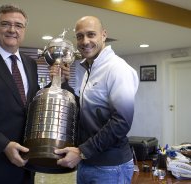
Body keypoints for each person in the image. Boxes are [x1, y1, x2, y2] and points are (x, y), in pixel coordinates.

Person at [0, 4, 70, 184]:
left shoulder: (30, 63)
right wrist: (4, 146)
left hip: (24, 163)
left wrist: (57, 83)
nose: (12, 30)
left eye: (18, 25)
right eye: (5, 24)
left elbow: (28, 104)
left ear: (24, 30)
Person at [54, 16, 139, 184]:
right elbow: (84, 109)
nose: (85, 41)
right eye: (80, 36)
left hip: (110, 167)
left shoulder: (118, 69)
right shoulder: (88, 69)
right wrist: (64, 85)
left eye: (91, 34)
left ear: (103, 35)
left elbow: (121, 122)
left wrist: (81, 151)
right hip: (87, 161)